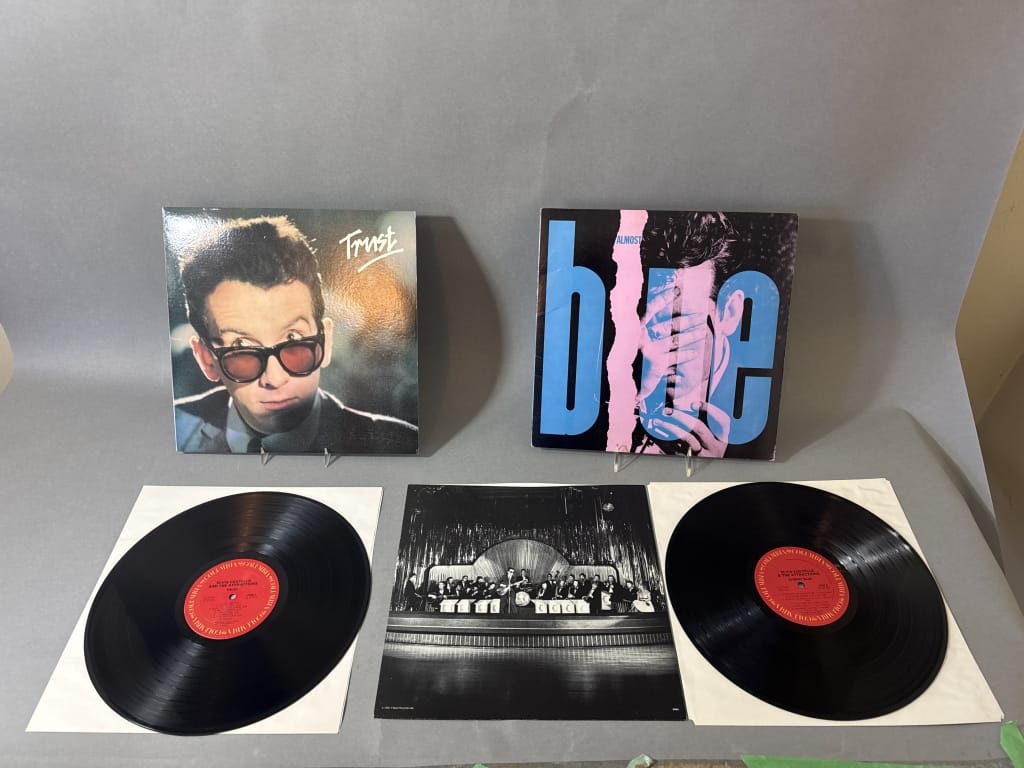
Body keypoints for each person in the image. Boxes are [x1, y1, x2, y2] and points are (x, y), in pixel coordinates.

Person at [172, 215, 418, 454]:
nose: (275, 378)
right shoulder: (172, 430)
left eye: (292, 339)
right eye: (241, 345)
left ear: (326, 342)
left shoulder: (398, 444)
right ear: (206, 359)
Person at [628, 213, 748, 458]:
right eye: (651, 325)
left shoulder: (757, 417)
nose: (655, 351)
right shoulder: (620, 368)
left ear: (730, 313)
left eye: (680, 326)